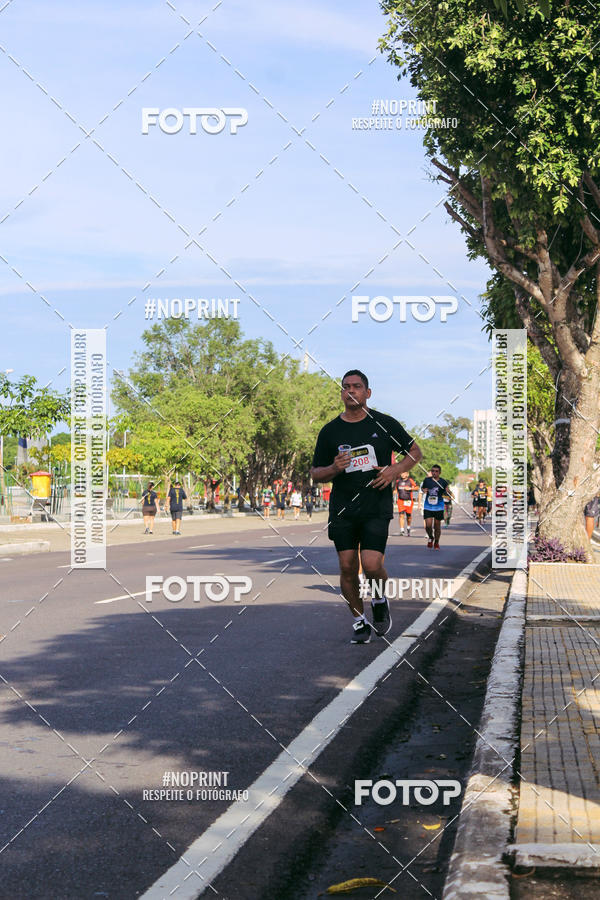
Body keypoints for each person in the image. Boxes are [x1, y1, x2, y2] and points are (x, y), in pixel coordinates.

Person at [311, 369, 422, 644]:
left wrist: (394, 470)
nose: (351, 391)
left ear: (367, 393)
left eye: (357, 386)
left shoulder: (384, 423)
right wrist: (334, 468)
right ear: (341, 393)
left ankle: (380, 599)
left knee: (371, 565)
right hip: (343, 509)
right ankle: (359, 622)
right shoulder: (330, 431)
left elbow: (415, 452)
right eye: (346, 387)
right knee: (347, 566)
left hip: (376, 506)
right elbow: (315, 473)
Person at [421, 465, 453, 549]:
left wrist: (447, 491)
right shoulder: (427, 480)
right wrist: (423, 490)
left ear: (439, 472)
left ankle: (437, 542)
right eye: (433, 471)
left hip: (438, 506)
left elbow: (448, 492)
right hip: (428, 506)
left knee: (437, 526)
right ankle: (431, 537)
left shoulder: (443, 482)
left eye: (436, 471)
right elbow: (423, 488)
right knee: (428, 526)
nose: (434, 473)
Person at [395, 471, 418, 536]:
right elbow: (396, 489)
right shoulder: (398, 481)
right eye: (401, 473)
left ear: (407, 474)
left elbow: (417, 487)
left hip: (408, 501)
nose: (402, 474)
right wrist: (394, 492)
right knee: (401, 515)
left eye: (404, 473)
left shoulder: (410, 480)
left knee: (409, 516)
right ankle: (402, 530)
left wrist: (410, 488)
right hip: (400, 500)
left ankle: (408, 527)